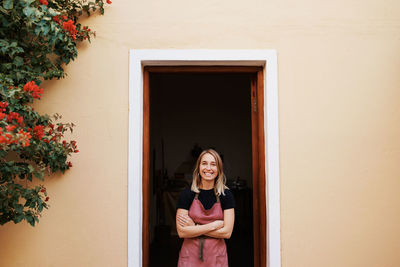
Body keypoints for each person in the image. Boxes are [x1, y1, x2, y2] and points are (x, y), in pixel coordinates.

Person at [176, 149, 235, 267]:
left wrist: (194, 228)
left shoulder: (226, 195)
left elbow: (227, 233)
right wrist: (213, 225)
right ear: (198, 168)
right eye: (204, 163)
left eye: (213, 164)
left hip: (216, 257)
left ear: (219, 169)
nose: (208, 168)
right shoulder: (187, 194)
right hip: (190, 257)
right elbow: (181, 232)